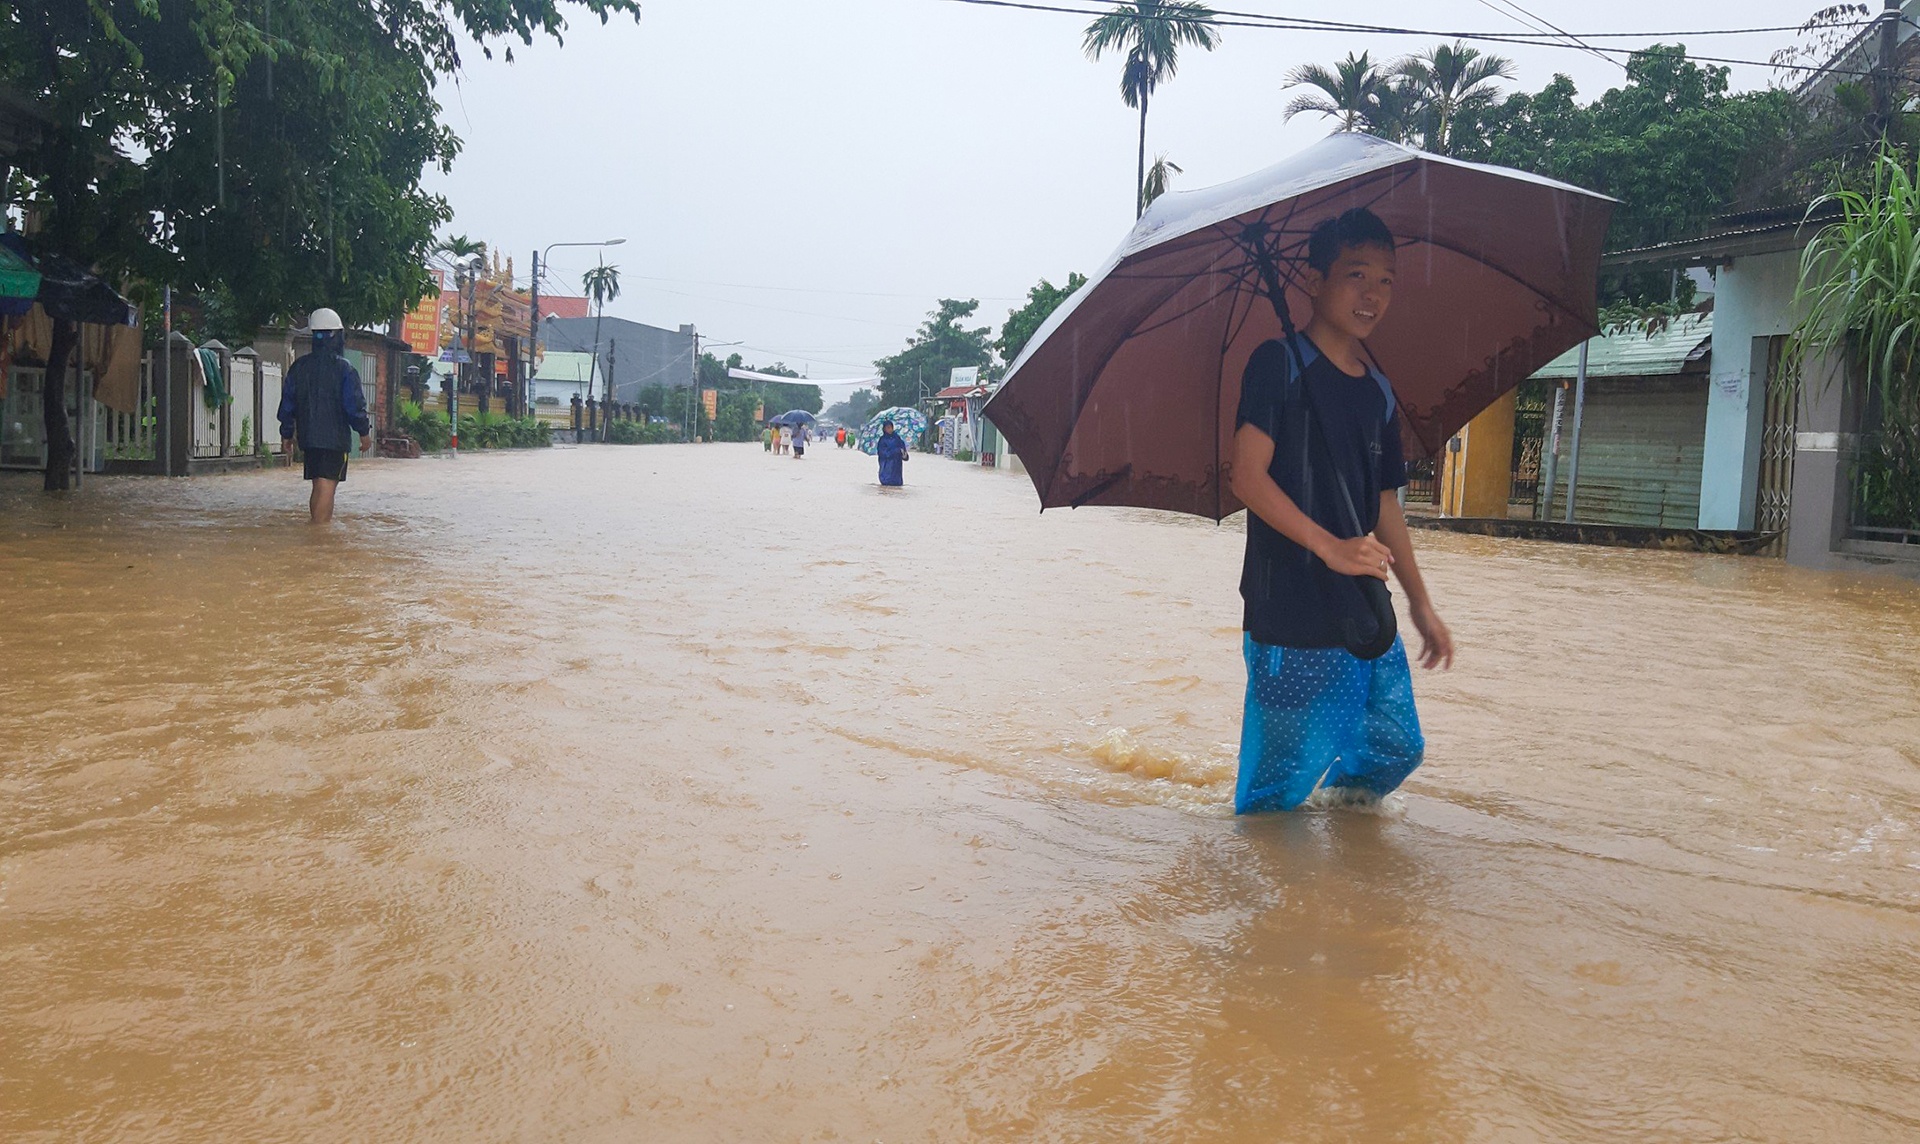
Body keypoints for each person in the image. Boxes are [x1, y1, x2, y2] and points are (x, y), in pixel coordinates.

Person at [1227, 207, 1453, 813]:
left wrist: (1421, 601)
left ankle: (1340, 842)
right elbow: (1246, 476)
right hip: (1289, 610)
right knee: (1273, 796)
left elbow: (1383, 504)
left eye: (1386, 280)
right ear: (1313, 279)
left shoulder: (1376, 388)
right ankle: (1277, 891)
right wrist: (1329, 546)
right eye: (1356, 275)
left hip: (1361, 604)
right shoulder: (1277, 365)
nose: (1373, 295)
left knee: (1396, 746)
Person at [278, 307, 371, 524]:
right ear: (337, 335)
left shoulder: (299, 367)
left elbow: (288, 404)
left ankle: (315, 531)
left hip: (309, 438)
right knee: (327, 485)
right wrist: (364, 432)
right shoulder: (345, 369)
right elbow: (354, 406)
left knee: (318, 484)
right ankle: (319, 535)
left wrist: (287, 434)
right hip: (335, 439)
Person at [875, 418, 909, 487]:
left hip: (897, 471)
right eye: (887, 428)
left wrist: (904, 455)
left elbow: (905, 455)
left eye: (891, 427)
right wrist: (896, 451)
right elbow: (884, 454)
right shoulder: (882, 440)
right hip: (886, 470)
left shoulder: (898, 438)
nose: (889, 429)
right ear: (884, 429)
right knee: (886, 487)